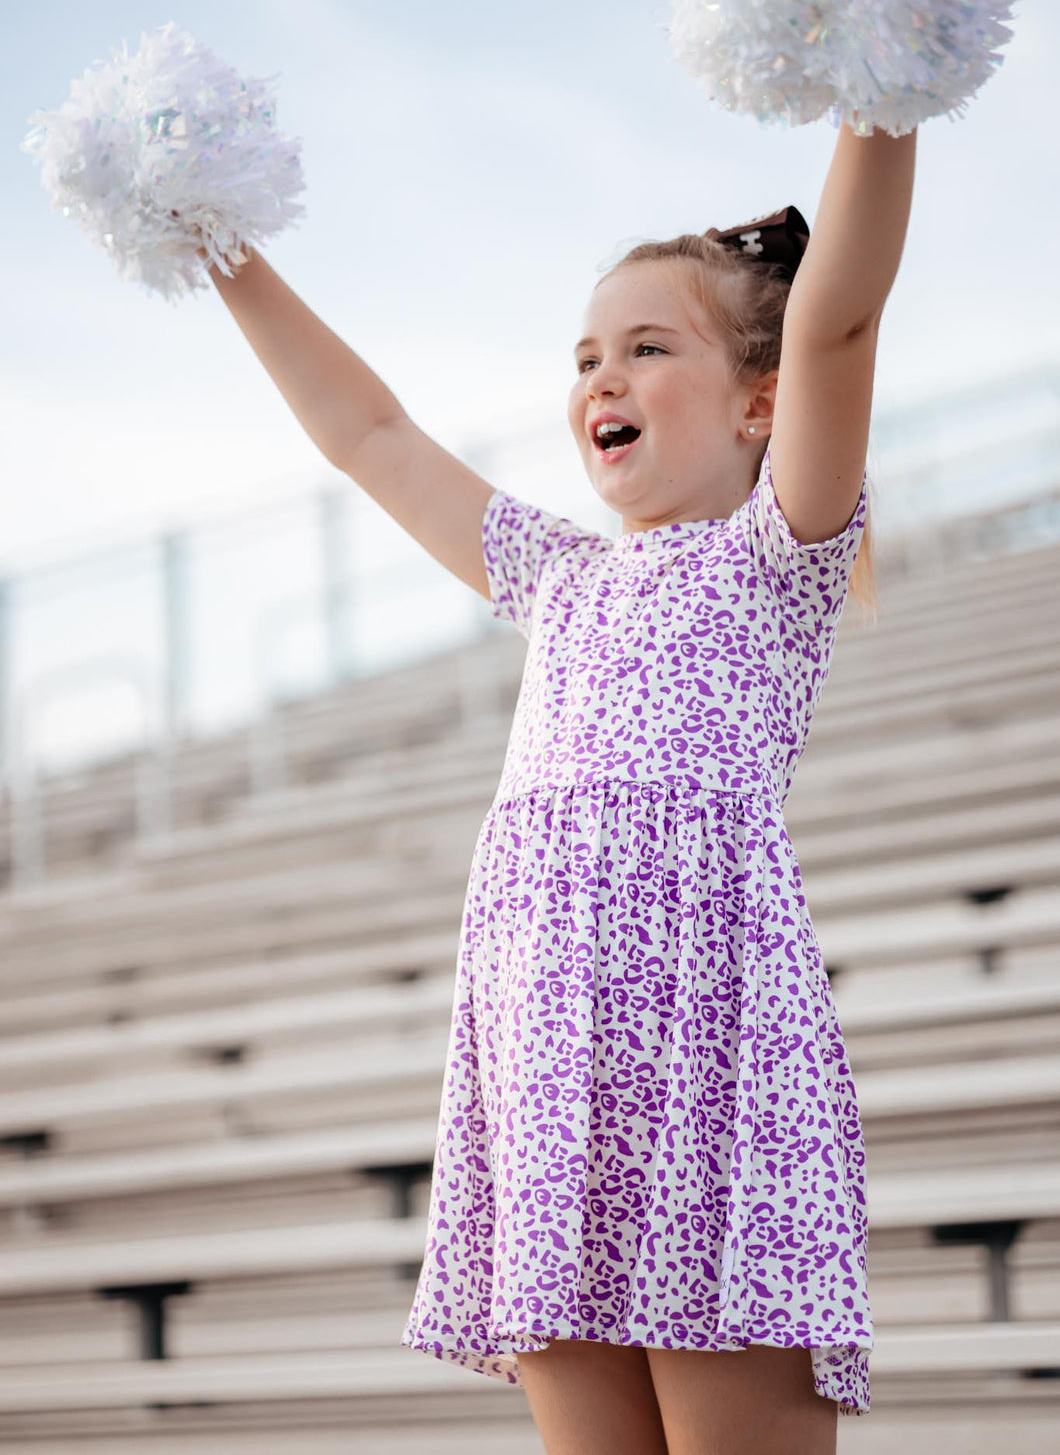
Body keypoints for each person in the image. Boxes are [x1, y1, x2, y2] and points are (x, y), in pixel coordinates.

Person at [205, 118, 916, 1455]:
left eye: (648, 347)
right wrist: (219, 245)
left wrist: (885, 98)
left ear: (758, 403)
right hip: (546, 1074)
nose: (604, 377)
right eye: (587, 357)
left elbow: (838, 322)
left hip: (711, 1066)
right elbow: (369, 432)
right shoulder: (556, 577)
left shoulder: (777, 556)